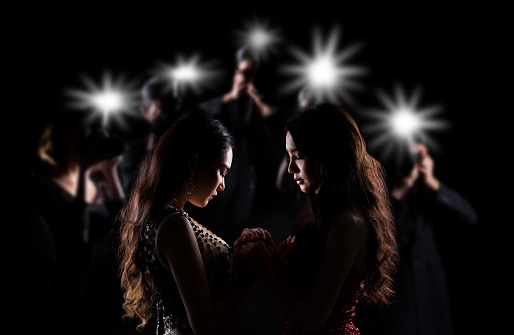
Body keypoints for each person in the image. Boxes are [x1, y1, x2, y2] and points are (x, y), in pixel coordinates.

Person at [234, 102, 400, 334]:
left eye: (299, 156)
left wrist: (265, 270)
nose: (291, 167)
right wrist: (269, 252)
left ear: (328, 155)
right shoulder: (326, 213)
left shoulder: (348, 221)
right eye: (289, 156)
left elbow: (314, 318)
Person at [117, 109, 257, 335]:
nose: (222, 185)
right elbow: (203, 323)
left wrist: (238, 252)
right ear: (193, 163)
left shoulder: (167, 218)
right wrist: (251, 275)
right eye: (221, 172)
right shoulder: (173, 224)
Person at [355, 140, 478, 335]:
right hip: (396, 316)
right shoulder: (371, 206)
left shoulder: (427, 201)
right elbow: (379, 241)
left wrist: (431, 181)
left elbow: (469, 217)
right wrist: (394, 196)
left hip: (433, 312)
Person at [25, 109, 125, 333]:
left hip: (102, 292)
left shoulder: (97, 184)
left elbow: (123, 225)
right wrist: (82, 172)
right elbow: (74, 241)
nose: (88, 143)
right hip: (67, 293)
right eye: (81, 137)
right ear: (60, 143)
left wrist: (110, 172)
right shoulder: (42, 186)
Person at [196, 45, 285, 241]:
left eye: (254, 72)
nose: (250, 77)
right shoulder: (224, 97)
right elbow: (196, 116)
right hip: (226, 187)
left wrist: (260, 102)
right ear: (236, 70)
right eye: (246, 71)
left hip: (259, 190)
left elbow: (278, 133)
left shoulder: (266, 97)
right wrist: (231, 97)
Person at [118, 75, 187, 196]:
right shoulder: (133, 148)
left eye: (168, 107)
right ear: (143, 111)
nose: (162, 112)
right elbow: (131, 192)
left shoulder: (189, 144)